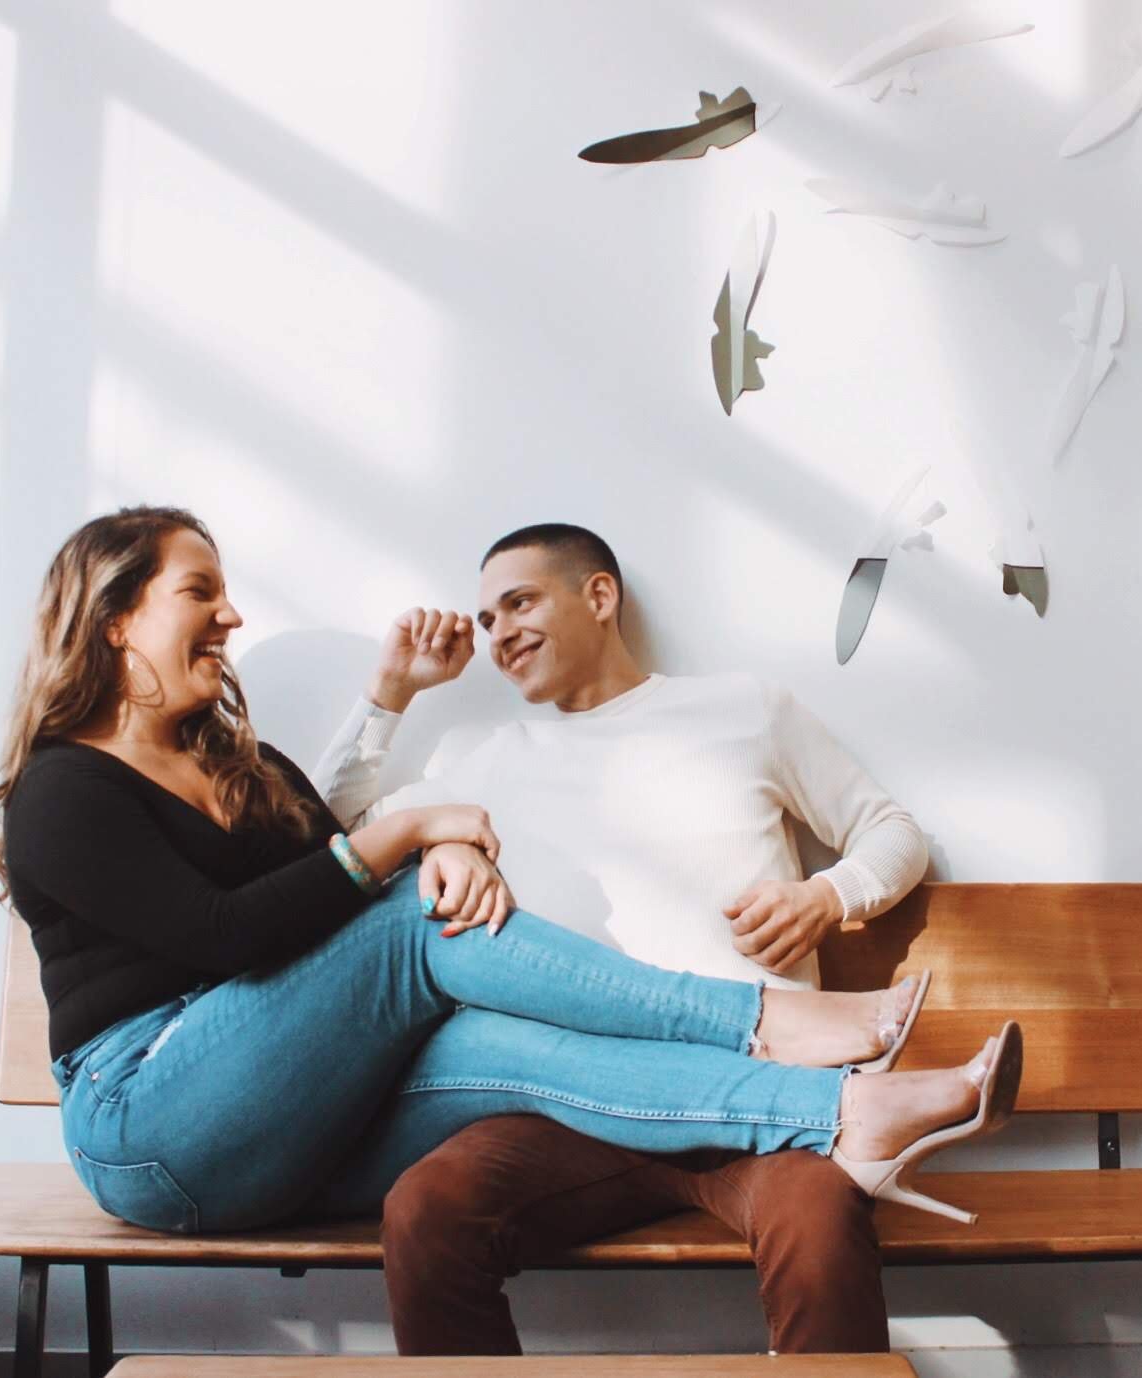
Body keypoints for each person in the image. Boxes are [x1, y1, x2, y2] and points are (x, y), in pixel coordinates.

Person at [0, 505, 1020, 1243]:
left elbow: (324, 860)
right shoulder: (61, 791)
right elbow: (229, 931)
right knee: (420, 926)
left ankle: (844, 1115)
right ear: (115, 619)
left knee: (496, 1042)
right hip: (148, 1125)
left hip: (280, 1124)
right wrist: (418, 830)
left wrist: (436, 837)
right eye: (201, 590)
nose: (233, 617)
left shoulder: (232, 763)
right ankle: (761, 1020)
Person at [307, 524, 940, 1355]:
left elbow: (893, 831)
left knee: (820, 1219)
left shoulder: (744, 709)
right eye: (487, 619)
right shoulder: (480, 757)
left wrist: (827, 896)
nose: (498, 635)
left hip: (764, 1098)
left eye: (519, 602)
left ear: (598, 596)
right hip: (574, 1106)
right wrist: (391, 694)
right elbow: (319, 842)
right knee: (426, 1211)